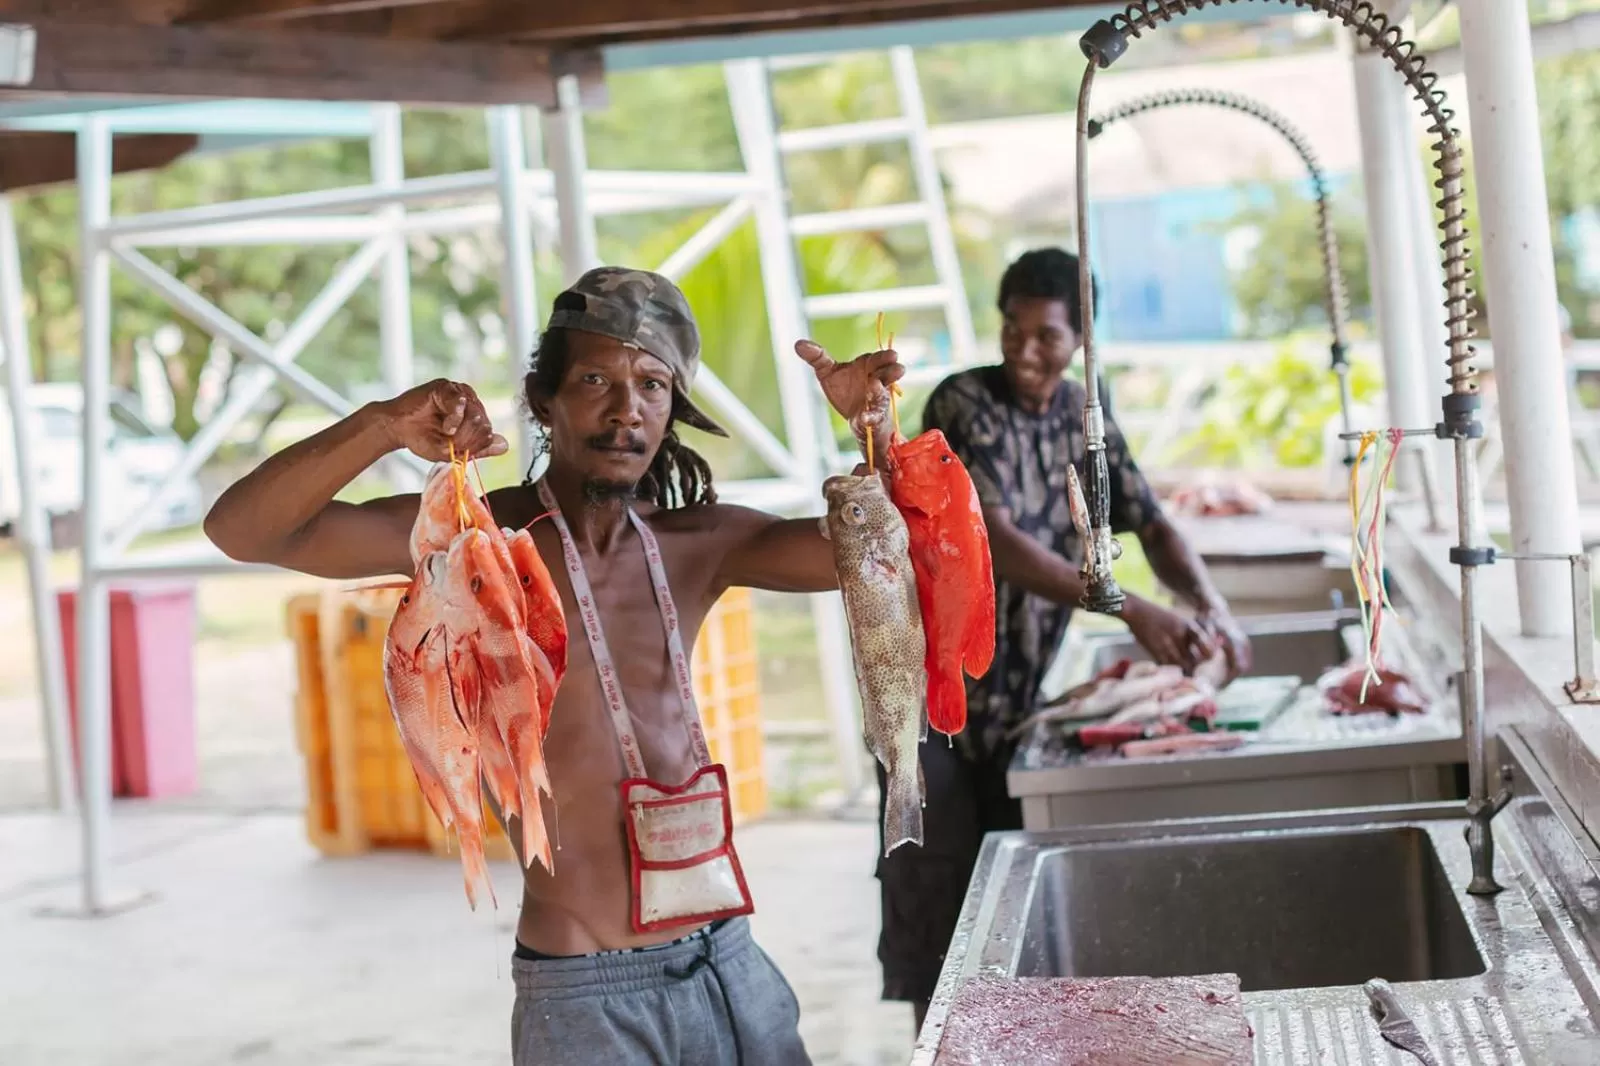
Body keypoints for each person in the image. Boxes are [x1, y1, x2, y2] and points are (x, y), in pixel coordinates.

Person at [203, 266, 904, 1066]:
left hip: (727, 964)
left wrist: (878, 435)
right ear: (543, 400)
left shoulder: (701, 544)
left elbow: (894, 554)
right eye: (596, 380)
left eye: (652, 385)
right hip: (585, 992)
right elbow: (245, 532)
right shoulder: (470, 540)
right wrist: (382, 425)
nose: (626, 408)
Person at [873, 247, 1253, 1031]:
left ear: (1080, 338)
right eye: (1012, 330)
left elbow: (1148, 519)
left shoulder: (1085, 411)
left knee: (1007, 914)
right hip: (930, 710)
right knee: (937, 914)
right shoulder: (964, 403)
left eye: (1046, 335)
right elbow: (995, 543)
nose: (1024, 350)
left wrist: (1210, 604)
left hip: (1014, 706)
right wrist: (1132, 610)